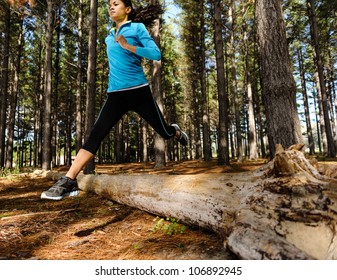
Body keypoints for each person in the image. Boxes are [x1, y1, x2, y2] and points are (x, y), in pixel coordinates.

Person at [41, 0, 188, 200]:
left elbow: (155, 53)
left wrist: (129, 46)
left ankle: (176, 131)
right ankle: (69, 180)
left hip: (139, 91)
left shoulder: (137, 27)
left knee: (164, 131)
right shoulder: (109, 36)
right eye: (109, 4)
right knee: (96, 134)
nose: (111, 6)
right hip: (116, 94)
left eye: (116, 3)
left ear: (127, 9)